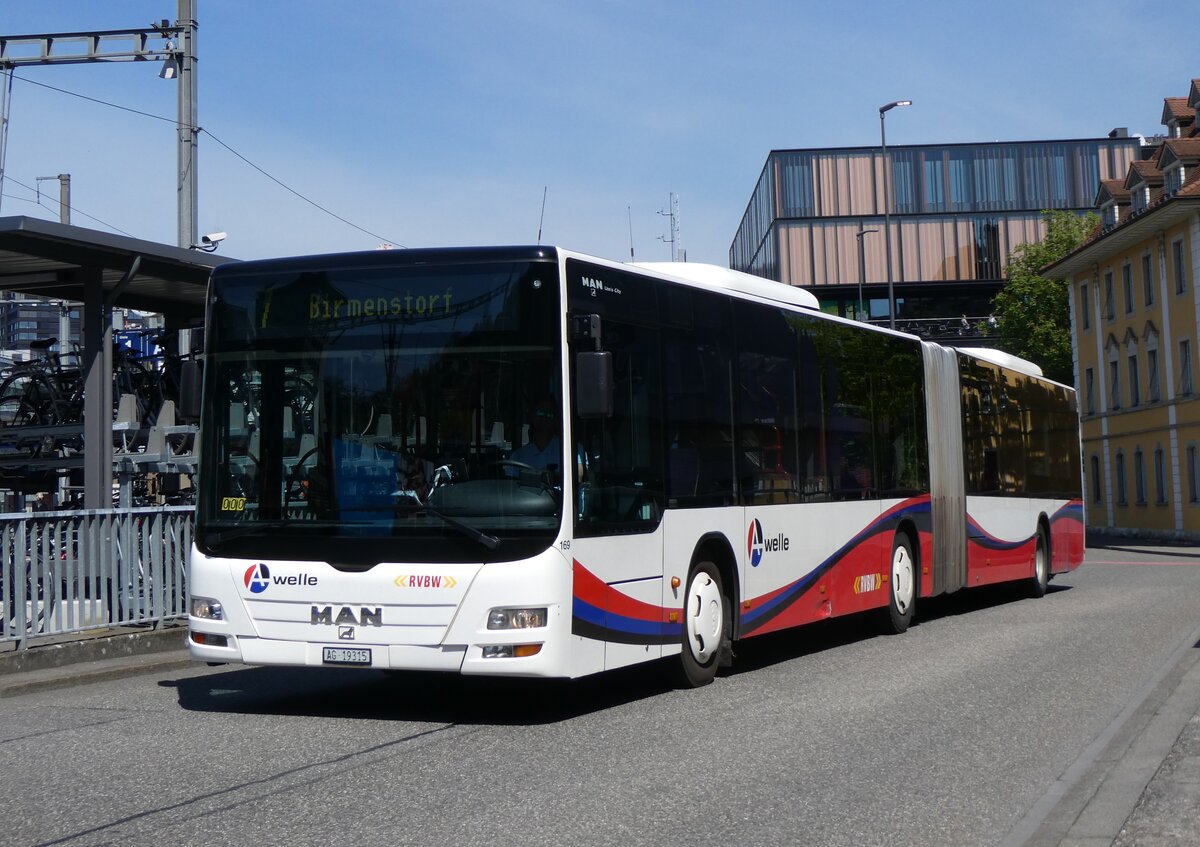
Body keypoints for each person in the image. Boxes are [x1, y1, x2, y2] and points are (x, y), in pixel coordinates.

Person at [509, 397, 561, 471]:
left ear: (556, 419)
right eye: (540, 413)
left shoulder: (570, 450)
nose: (544, 418)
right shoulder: (517, 457)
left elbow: (578, 474)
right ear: (532, 416)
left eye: (549, 414)